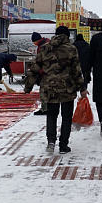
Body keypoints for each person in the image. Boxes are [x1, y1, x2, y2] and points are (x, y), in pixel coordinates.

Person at [24, 25, 88, 153]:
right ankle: (63, 145)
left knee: (52, 115)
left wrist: (28, 87)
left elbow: (35, 69)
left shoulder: (45, 48)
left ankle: (51, 142)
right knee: (66, 117)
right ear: (67, 36)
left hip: (50, 88)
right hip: (67, 89)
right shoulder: (71, 49)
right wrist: (82, 88)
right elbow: (77, 71)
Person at [31, 32, 50, 115]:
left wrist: (39, 71)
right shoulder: (47, 42)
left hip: (46, 72)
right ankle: (47, 108)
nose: (34, 44)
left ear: (37, 40)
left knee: (44, 91)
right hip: (51, 71)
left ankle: (45, 109)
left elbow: (41, 61)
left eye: (34, 42)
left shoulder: (42, 47)